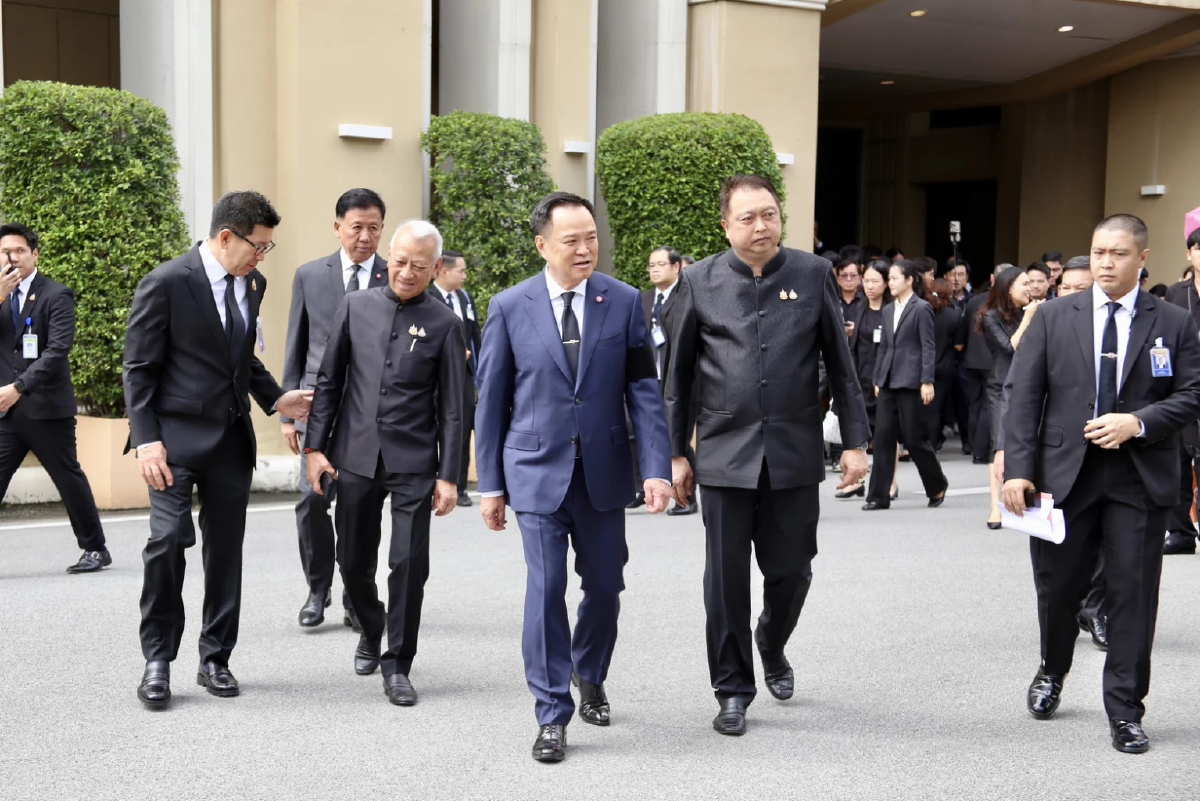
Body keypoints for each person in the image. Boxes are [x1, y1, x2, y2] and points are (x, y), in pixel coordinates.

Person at [664, 175, 871, 737]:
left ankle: (771, 640)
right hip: (724, 456)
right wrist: (674, 456)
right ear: (725, 224)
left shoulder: (811, 274)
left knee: (792, 570)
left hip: (794, 452)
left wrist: (856, 443)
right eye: (749, 217)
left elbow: (841, 364)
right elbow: (677, 378)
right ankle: (732, 689)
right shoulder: (699, 281)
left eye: (771, 215)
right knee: (725, 579)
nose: (762, 226)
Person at [474, 192, 672, 763]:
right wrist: (491, 485)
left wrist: (655, 467)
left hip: (605, 471)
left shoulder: (625, 301)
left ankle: (590, 672)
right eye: (572, 240)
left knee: (606, 586)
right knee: (545, 591)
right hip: (535, 472)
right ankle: (551, 712)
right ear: (542, 245)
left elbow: (643, 390)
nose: (586, 249)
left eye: (591, 237)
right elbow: (493, 403)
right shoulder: (511, 306)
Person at [1003, 214, 1200, 755]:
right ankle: (1052, 668)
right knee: (1059, 588)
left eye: (1117, 253)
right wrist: (1018, 467)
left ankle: (1126, 711)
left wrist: (1138, 422)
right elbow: (1023, 396)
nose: (1105, 263)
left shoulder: (1175, 322)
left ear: (1143, 258)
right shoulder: (1053, 317)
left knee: (1133, 596)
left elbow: (1192, 393)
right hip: (1064, 476)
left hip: (1139, 477)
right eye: (1097, 253)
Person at [124, 191, 313, 710]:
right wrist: (147, 441)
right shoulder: (166, 282)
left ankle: (216, 659)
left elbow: (240, 358)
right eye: (259, 245)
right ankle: (158, 660)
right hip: (173, 443)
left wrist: (277, 399)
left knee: (225, 554)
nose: (262, 256)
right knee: (167, 543)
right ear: (227, 236)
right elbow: (138, 371)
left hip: (231, 441)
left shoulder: (252, 282)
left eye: (268, 248)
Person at [304, 220, 464, 707]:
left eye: (419, 266)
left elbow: (456, 407)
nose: (407, 273)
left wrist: (450, 475)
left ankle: (398, 662)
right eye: (399, 262)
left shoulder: (444, 324)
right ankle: (371, 628)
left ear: (435, 268)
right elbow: (329, 382)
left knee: (408, 563)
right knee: (351, 560)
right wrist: (315, 449)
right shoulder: (355, 306)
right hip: (353, 453)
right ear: (387, 258)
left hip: (415, 460)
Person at [282, 188, 388, 631]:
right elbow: (297, 344)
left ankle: (354, 593)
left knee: (360, 509)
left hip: (369, 414)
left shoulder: (393, 276)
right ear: (338, 227)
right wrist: (289, 414)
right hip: (318, 409)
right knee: (311, 501)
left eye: (374, 228)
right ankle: (317, 588)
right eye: (356, 227)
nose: (365, 237)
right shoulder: (310, 275)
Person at [994, 255, 1110, 651]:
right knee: (1053, 558)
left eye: (1084, 287)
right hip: (1049, 457)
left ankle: (1096, 612)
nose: (1076, 294)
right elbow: (1017, 394)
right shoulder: (1047, 322)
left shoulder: (1111, 330)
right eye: (1069, 287)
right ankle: (1060, 615)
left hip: (1103, 455)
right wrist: (1007, 453)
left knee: (1104, 550)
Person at [0, 223, 109, 573]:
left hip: (45, 408)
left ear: (35, 254)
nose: (11, 258)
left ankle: (95, 548)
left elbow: (57, 350)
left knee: (68, 478)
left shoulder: (56, 294)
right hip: (6, 414)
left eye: (18, 251)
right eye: (5, 252)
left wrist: (18, 388)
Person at [863, 260, 948, 510]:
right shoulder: (888, 310)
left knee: (914, 438)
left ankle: (936, 485)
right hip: (888, 379)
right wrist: (878, 378)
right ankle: (878, 496)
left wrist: (927, 380)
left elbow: (928, 346)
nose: (890, 283)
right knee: (883, 437)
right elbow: (885, 347)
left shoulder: (921, 308)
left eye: (894, 278)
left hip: (912, 380)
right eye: (888, 279)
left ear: (910, 280)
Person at [631, 245, 696, 515]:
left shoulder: (688, 298)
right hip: (646, 378)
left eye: (660, 264)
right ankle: (639, 487)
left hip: (675, 378)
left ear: (676, 267)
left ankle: (687, 496)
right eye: (651, 265)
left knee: (675, 434)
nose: (654, 269)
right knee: (634, 430)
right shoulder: (642, 300)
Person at [980, 267, 1038, 529]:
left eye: (1032, 283)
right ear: (1008, 288)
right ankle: (996, 505)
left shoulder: (1037, 312)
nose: (1030, 288)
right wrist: (1028, 320)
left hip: (1030, 384)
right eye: (1025, 284)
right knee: (999, 444)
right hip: (999, 386)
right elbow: (1009, 348)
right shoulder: (990, 317)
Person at [429, 248, 482, 508]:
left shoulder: (465, 298)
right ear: (444, 270)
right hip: (433, 377)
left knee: (460, 430)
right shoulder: (427, 297)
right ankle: (431, 483)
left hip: (462, 376)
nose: (464, 275)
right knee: (432, 430)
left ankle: (458, 486)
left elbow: (476, 335)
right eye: (460, 270)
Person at [836, 259, 890, 500]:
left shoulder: (891, 310)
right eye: (866, 280)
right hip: (861, 375)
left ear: (886, 283)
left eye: (874, 281)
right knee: (858, 429)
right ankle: (855, 481)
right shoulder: (859, 308)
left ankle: (889, 482)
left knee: (886, 433)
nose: (869, 286)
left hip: (884, 379)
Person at [1161, 225, 1200, 555]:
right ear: (1189, 254)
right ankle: (1181, 533)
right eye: (1198, 248)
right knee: (1178, 461)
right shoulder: (1176, 293)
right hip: (1184, 386)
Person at [927, 278, 962, 451]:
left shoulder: (921, 311)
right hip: (944, 366)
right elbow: (958, 345)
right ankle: (932, 444)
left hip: (921, 365)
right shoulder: (954, 315)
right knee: (936, 408)